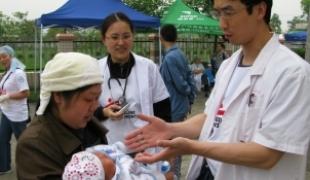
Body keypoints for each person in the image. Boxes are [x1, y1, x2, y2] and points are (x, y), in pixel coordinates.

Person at [125, 0, 310, 180]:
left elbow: (267, 154)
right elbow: (211, 117)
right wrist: (171, 128)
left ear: (260, 10)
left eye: (229, 12)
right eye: (218, 13)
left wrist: (193, 147)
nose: (222, 23)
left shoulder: (292, 73)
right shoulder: (229, 65)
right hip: (208, 170)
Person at [16, 52, 108, 179]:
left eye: (98, 97)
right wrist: (101, 173)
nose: (95, 105)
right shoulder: (34, 145)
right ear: (58, 96)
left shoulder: (90, 127)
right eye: (89, 99)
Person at [98, 12, 171, 146]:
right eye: (114, 37)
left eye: (126, 36)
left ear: (133, 37)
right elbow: (85, 113)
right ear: (104, 39)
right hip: (109, 150)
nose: (121, 42)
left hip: (144, 148)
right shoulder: (95, 70)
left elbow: (163, 110)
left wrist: (167, 146)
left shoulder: (148, 67)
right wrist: (103, 112)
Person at [159, 24, 197, 180]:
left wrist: (188, 93)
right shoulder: (180, 54)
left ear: (161, 38)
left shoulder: (169, 58)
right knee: (175, 143)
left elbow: (181, 83)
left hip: (174, 106)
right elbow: (189, 77)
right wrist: (191, 98)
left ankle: (174, 175)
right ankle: (175, 174)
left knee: (172, 145)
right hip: (180, 104)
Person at [63, 141, 168, 180]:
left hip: (140, 161)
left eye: (98, 155)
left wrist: (135, 145)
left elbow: (115, 148)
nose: (102, 155)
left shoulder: (99, 152)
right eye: (103, 159)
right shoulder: (125, 177)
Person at [0, 45, 30, 175]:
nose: (2, 59)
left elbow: (25, 93)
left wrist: (7, 96)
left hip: (17, 115)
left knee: (23, 142)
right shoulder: (7, 72)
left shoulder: (18, 73)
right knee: (2, 140)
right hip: (7, 112)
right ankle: (4, 167)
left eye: (4, 56)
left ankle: (32, 165)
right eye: (0, 57)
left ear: (11, 56)